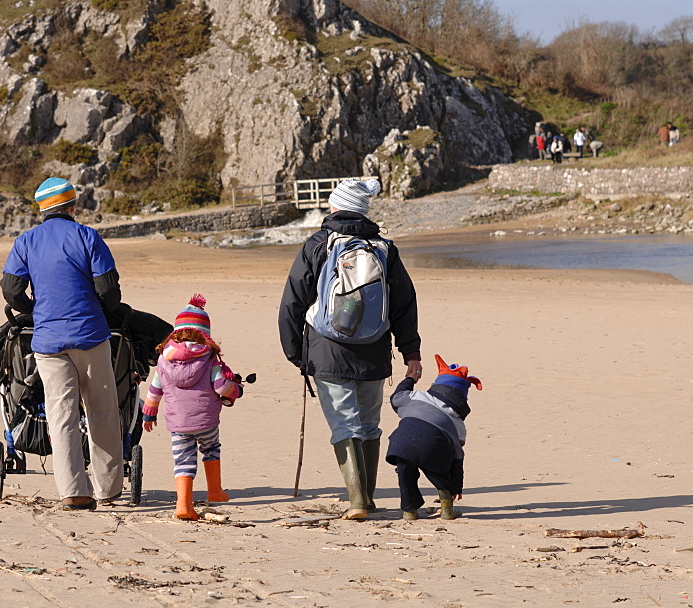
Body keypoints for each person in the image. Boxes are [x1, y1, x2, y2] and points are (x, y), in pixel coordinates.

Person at [278, 178, 421, 521]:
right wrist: (411, 353)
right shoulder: (385, 248)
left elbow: (293, 302)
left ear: (336, 206)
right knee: (370, 424)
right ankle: (366, 499)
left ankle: (357, 500)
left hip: (327, 348)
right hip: (374, 349)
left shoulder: (318, 244)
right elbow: (404, 305)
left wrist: (296, 352)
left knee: (345, 423)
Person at [1, 177, 127, 511]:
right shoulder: (88, 236)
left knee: (61, 414)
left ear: (42, 208)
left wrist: (35, 310)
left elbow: (11, 291)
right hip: (90, 335)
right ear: (72, 206)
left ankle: (73, 491)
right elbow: (109, 291)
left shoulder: (25, 242)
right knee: (101, 409)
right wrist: (103, 309)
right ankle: (108, 489)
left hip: (47, 340)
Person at [141, 295, 243, 521]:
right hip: (206, 421)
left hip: (178, 423)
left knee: (183, 460)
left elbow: (154, 390)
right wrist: (236, 390)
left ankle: (184, 505)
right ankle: (215, 491)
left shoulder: (163, 360)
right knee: (211, 448)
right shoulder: (209, 357)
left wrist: (148, 414)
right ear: (204, 333)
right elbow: (221, 386)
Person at [385, 355, 482, 521]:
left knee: (405, 475)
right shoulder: (457, 423)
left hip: (401, 445)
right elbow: (457, 457)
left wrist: (410, 380)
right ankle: (447, 509)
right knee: (442, 472)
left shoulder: (416, 397)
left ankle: (409, 511)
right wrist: (456, 486)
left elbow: (396, 397)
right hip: (433, 448)